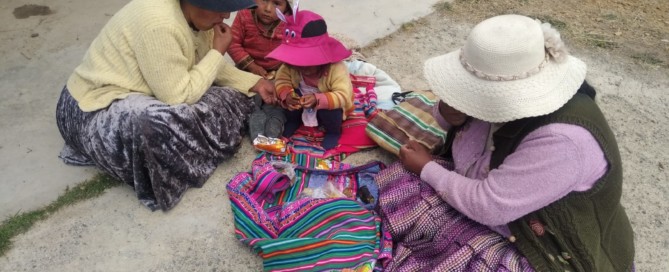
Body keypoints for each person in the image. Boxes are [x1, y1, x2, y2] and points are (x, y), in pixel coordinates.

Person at [379, 14, 635, 271]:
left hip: (539, 239)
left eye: (476, 91)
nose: (469, 99)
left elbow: (488, 205)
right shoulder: (506, 97)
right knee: (398, 188)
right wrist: (448, 113)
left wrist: (427, 169)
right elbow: (462, 124)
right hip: (494, 194)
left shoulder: (562, 141)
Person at [55, 0, 278, 211]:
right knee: (164, 121)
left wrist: (255, 83)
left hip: (136, 95)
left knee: (230, 98)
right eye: (220, 8)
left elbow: (206, 61)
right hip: (91, 111)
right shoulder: (160, 23)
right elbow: (178, 95)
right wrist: (218, 52)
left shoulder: (195, 16)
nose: (226, 16)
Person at [266, 9, 354, 150]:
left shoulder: (336, 68)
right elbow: (281, 80)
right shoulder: (290, 67)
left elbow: (343, 95)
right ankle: (293, 122)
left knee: (330, 111)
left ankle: (333, 131)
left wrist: (317, 99)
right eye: (297, 62)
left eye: (308, 62)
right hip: (303, 100)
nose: (302, 67)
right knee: (291, 104)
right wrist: (287, 95)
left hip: (327, 102)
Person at [228, 0, 292, 79]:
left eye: (276, 3)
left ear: (287, 7)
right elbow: (231, 43)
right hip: (246, 69)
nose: (268, 9)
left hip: (280, 71)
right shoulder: (244, 14)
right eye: (264, 0)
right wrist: (252, 66)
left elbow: (295, 50)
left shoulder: (290, 23)